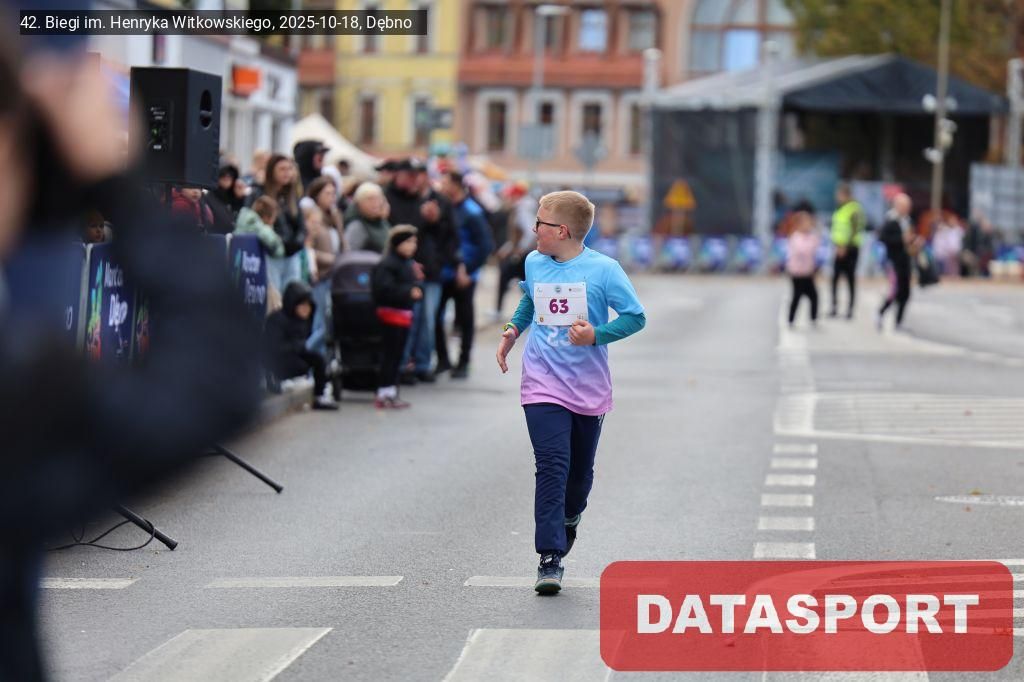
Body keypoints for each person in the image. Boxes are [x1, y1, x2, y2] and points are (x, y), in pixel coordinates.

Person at [495, 191, 646, 594]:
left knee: (578, 477)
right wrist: (512, 329)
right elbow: (530, 299)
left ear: (561, 231)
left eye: (540, 223)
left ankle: (570, 517)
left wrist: (597, 334)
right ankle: (550, 556)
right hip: (541, 381)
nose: (534, 230)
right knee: (552, 465)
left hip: (587, 387)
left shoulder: (605, 270)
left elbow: (635, 317)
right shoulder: (534, 261)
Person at [386, 158, 460, 384]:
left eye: (418, 174)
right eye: (411, 175)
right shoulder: (400, 199)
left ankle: (422, 363)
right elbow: (403, 232)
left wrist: (435, 223)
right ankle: (405, 364)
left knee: (427, 319)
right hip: (406, 269)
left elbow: (450, 236)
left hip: (432, 270)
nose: (415, 180)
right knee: (410, 318)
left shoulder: (440, 201)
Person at [435, 171, 493, 378]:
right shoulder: (444, 207)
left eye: (445, 182)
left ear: (456, 185)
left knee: (465, 318)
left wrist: (468, 270)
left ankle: (464, 361)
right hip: (444, 272)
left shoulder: (472, 210)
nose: (441, 185)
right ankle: (442, 360)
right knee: (436, 316)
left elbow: (485, 245)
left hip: (466, 275)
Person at [264, 281, 338, 410]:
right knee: (300, 364)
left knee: (318, 359)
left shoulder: (303, 320)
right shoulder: (277, 320)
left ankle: (320, 395)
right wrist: (295, 346)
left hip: (295, 352)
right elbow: (272, 349)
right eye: (302, 305)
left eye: (308, 305)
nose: (306, 309)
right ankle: (277, 380)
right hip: (278, 359)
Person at [371, 225, 422, 409]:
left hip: (403, 315)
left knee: (398, 355)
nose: (412, 246)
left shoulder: (406, 263)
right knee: (389, 355)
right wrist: (408, 292)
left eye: (414, 242)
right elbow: (383, 290)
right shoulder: (387, 264)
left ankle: (391, 391)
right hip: (390, 315)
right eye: (408, 242)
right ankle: (383, 392)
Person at [247, 154, 306, 293]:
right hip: (271, 254)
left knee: (292, 295)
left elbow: (301, 226)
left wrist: (297, 243)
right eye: (282, 169)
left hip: (292, 255)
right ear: (271, 171)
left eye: (289, 169)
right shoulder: (259, 194)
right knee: (274, 296)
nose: (287, 173)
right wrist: (277, 243)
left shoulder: (292, 197)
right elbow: (254, 223)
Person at [876, 193, 918, 331]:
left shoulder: (908, 221)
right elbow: (883, 238)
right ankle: (881, 312)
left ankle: (898, 321)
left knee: (905, 292)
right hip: (893, 261)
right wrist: (901, 239)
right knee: (894, 290)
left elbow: (911, 238)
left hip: (906, 260)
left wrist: (914, 242)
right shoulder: (891, 220)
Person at [829, 182, 865, 319]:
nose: (837, 197)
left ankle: (850, 309)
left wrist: (845, 246)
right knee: (835, 278)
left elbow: (855, 229)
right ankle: (834, 307)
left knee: (850, 279)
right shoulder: (840, 208)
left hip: (850, 249)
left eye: (839, 194)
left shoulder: (854, 209)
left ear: (846, 195)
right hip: (839, 247)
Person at [785, 210, 820, 327]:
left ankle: (813, 318)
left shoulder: (811, 236)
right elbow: (803, 250)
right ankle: (791, 319)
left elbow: (816, 248)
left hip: (808, 272)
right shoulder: (795, 237)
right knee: (797, 296)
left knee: (814, 296)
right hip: (797, 273)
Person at [345, 182, 391, 253]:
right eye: (370, 199)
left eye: (378, 198)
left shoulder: (382, 223)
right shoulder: (356, 226)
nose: (375, 203)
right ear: (359, 203)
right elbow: (349, 254)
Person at [205, 164, 243, 234]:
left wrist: (240, 199)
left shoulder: (234, 197)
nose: (227, 178)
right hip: (217, 235)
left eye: (230, 177)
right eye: (224, 176)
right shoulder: (210, 197)